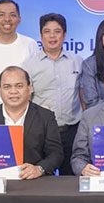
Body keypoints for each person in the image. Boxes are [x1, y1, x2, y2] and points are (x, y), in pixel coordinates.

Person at [0, 66, 63, 179]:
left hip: (33, 182)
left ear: (29, 88)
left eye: (19, 86)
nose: (13, 91)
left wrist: (39, 169)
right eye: (7, 87)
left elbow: (56, 154)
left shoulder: (46, 116)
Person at [22, 13, 83, 175]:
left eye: (57, 31)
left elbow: (82, 95)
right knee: (41, 179)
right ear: (41, 35)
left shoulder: (77, 62)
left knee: (71, 180)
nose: (52, 36)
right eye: (47, 31)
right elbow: (26, 100)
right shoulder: (29, 65)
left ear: (65, 35)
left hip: (71, 132)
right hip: (42, 133)